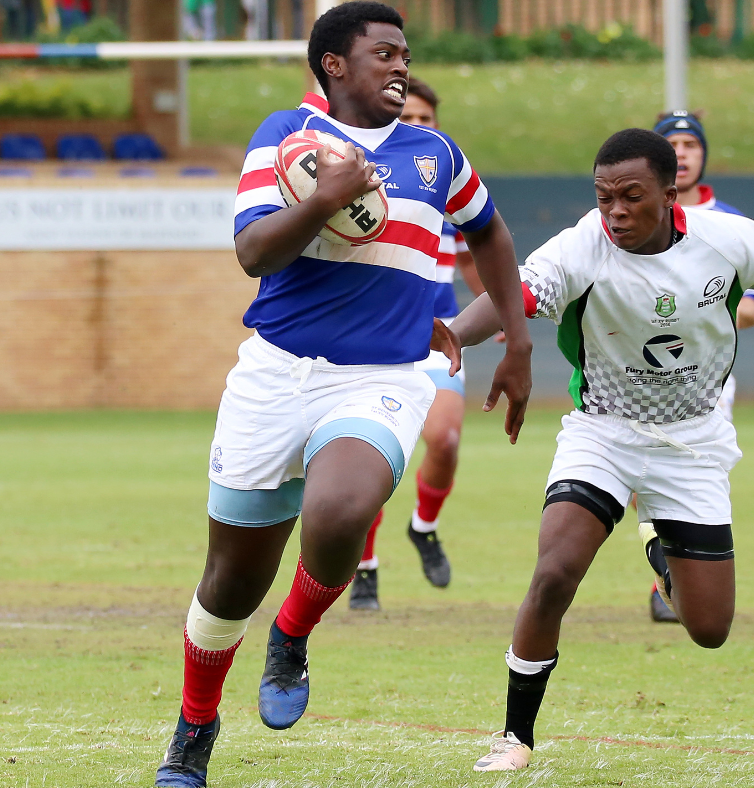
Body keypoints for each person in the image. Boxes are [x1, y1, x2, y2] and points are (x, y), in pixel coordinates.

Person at [153, 4, 532, 786]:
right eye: (383, 53)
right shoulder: (285, 136)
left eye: (405, 54)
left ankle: (291, 636)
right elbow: (253, 251)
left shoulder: (436, 154)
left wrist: (517, 342)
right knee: (230, 580)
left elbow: (491, 234)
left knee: (339, 509)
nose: (400, 66)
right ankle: (195, 724)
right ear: (333, 65)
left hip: (382, 376)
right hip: (275, 373)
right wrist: (324, 198)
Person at [430, 128, 754, 772]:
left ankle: (656, 545)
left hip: (693, 443)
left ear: (671, 196)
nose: (614, 211)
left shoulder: (730, 240)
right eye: (604, 196)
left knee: (708, 628)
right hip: (603, 433)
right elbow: (513, 299)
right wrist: (454, 334)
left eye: (631, 197)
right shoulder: (583, 244)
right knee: (555, 571)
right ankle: (515, 736)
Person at [349, 77, 488, 610]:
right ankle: (364, 568)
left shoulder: (446, 193)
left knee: (446, 440)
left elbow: (475, 258)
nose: (417, 127)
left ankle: (423, 527)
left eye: (426, 119)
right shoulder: (362, 190)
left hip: (437, 339)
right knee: (372, 459)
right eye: (407, 118)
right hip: (373, 344)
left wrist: (495, 309)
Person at [645, 110, 754, 623]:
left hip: (705, 379)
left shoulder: (731, 223)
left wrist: (691, 303)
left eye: (691, 144)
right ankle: (662, 572)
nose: (684, 152)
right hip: (637, 370)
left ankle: (685, 567)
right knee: (636, 474)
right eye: (672, 144)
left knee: (694, 473)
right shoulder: (636, 215)